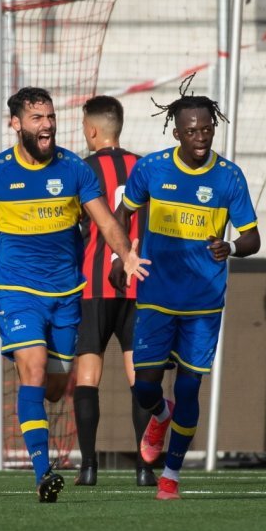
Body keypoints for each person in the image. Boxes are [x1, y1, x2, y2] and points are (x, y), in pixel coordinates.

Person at [0, 86, 149, 503]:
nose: (48, 125)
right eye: (38, 119)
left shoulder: (74, 168)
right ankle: (43, 473)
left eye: (51, 117)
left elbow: (108, 222)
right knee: (33, 368)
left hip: (67, 292)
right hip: (16, 290)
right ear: (16, 124)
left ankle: (42, 445)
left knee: (55, 388)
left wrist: (125, 254)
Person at [111, 77, 260, 500]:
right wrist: (120, 258)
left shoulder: (229, 177)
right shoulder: (152, 169)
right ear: (176, 133)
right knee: (145, 387)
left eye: (207, 129)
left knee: (191, 387)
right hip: (156, 295)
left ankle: (171, 475)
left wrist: (230, 246)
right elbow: (122, 214)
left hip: (204, 301)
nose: (200, 137)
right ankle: (160, 415)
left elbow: (252, 237)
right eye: (191, 131)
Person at [72, 94, 158, 488]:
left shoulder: (80, 169)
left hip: (93, 287)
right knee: (138, 377)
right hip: (139, 286)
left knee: (87, 376)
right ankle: (145, 469)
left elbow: (71, 226)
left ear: (91, 129)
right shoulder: (146, 168)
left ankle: (88, 467)